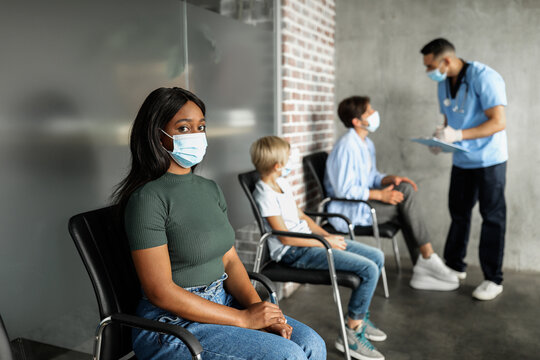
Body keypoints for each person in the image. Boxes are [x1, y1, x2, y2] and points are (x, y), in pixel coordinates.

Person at [112, 87, 326, 359]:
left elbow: (230, 261)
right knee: (288, 355)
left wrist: (259, 311)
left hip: (222, 302)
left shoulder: (210, 189)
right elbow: (160, 291)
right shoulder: (147, 199)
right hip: (171, 324)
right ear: (158, 135)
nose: (197, 135)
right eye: (184, 128)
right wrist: (244, 320)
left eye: (201, 127)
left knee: (312, 344)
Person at [251, 136, 387, 360]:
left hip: (311, 241)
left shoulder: (281, 183)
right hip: (295, 252)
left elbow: (302, 216)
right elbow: (285, 239)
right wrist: (325, 243)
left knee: (377, 256)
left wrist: (326, 235)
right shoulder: (264, 193)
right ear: (277, 165)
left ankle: (358, 318)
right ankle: (352, 335)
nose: (290, 163)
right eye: (287, 159)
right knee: (370, 269)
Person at [325, 96, 460, 292]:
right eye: (369, 112)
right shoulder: (346, 146)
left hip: (361, 204)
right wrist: (380, 196)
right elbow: (344, 190)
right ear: (356, 121)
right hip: (348, 211)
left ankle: (424, 264)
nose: (374, 114)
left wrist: (388, 179)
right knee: (404, 204)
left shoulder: (366, 143)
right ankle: (427, 261)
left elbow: (370, 176)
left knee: (403, 191)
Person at [421, 38, 508, 301]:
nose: (429, 72)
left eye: (430, 66)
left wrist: (457, 134)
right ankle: (454, 267)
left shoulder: (485, 77)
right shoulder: (444, 83)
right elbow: (449, 121)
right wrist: (440, 139)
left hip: (489, 160)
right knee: (458, 214)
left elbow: (498, 122)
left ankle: (493, 278)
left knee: (492, 217)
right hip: (462, 160)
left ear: (446, 60)